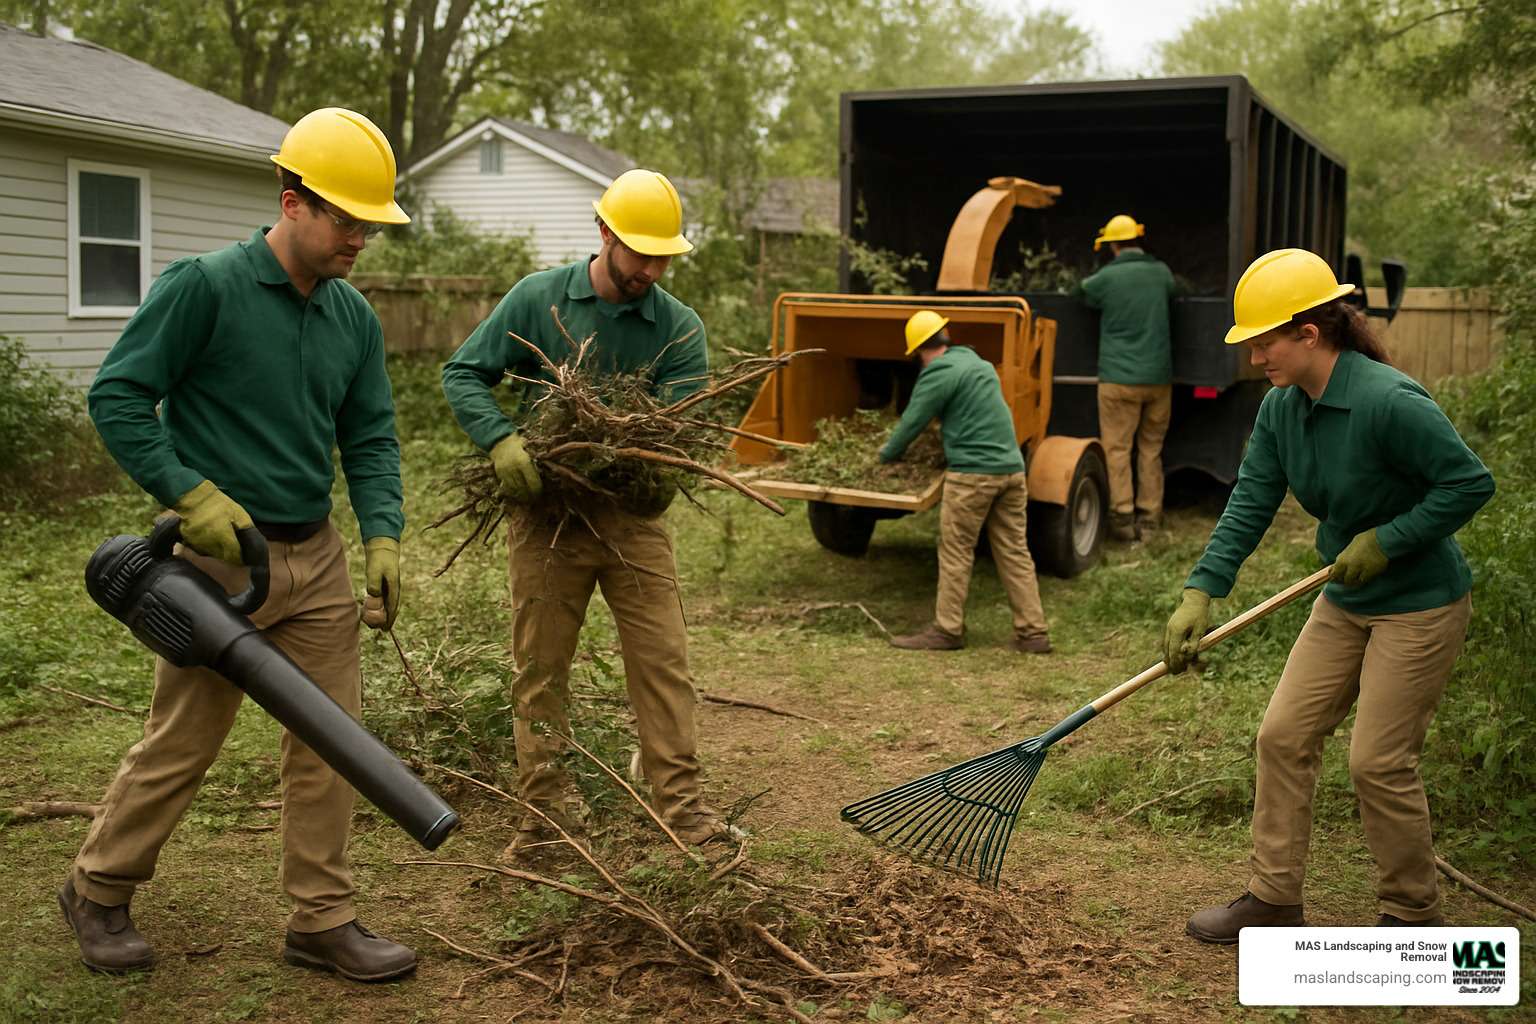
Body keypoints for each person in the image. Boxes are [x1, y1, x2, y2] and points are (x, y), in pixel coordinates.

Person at [63, 107, 416, 982]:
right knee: (185, 738)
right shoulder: (205, 287)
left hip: (318, 555)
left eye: (371, 224)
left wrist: (383, 537)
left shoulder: (353, 320)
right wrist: (188, 492)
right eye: (346, 220)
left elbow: (370, 436)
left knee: (331, 741)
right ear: (292, 201)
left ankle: (321, 922)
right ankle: (97, 887)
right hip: (220, 569)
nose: (360, 239)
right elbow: (117, 396)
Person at [1164, 249, 1495, 943]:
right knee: (1282, 737)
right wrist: (1202, 591)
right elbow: (1251, 500)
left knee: (1377, 761)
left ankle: (1412, 916)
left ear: (1310, 334)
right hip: (1346, 601)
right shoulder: (1284, 409)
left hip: (1421, 603)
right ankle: (1273, 899)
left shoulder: (1389, 401)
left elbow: (1469, 484)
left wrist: (1390, 538)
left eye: (1264, 343)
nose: (1256, 359)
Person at [441, 169, 739, 855]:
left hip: (633, 519)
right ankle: (545, 819)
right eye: (641, 253)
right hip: (547, 519)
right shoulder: (539, 298)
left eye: (665, 256)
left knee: (662, 663)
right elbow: (463, 372)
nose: (653, 269)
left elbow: (676, 427)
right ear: (603, 233)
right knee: (540, 667)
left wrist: (641, 466)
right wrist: (501, 438)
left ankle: (682, 809)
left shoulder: (677, 327)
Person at [880, 310, 1051, 654]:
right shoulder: (979, 364)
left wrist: (886, 455)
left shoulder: (938, 373)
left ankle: (946, 629)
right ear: (944, 337)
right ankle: (1033, 633)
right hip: (1011, 471)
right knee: (1014, 551)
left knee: (956, 549)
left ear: (918, 351)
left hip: (973, 474)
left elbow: (913, 421)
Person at [1073, 214, 1179, 541]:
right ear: (1139, 240)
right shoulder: (1161, 273)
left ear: (1112, 245)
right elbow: (1176, 292)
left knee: (1118, 449)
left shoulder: (1105, 278)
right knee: (1150, 449)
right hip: (1158, 380)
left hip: (1118, 380)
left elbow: (1081, 292)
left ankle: (1121, 519)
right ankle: (1150, 520)